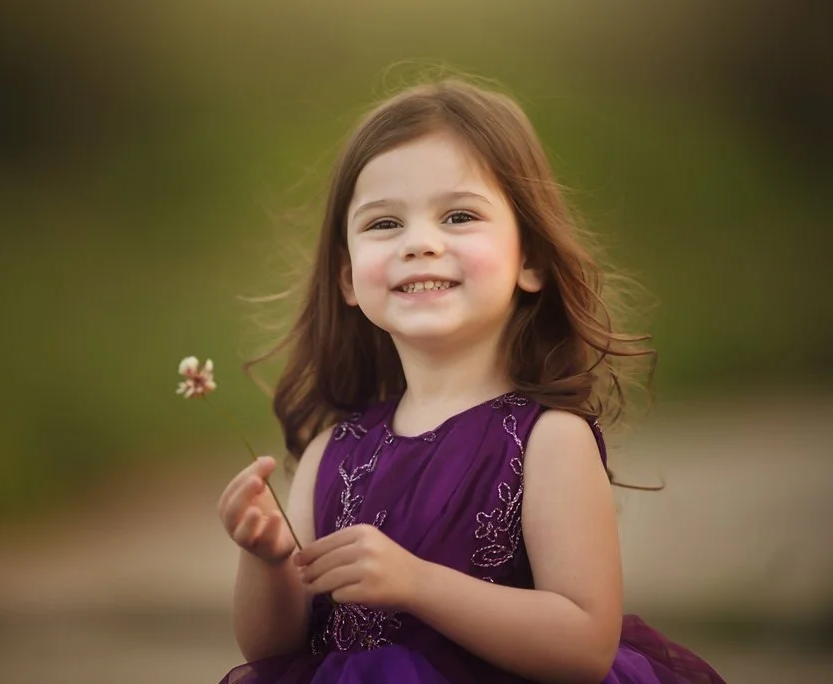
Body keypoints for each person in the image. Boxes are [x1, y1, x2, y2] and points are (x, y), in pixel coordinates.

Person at [216, 77, 726, 683]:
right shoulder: (332, 454)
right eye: (385, 224)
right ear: (349, 278)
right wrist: (266, 559)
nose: (419, 244)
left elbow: (586, 646)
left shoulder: (548, 440)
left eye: (458, 216)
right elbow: (273, 651)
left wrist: (418, 584)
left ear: (530, 260)